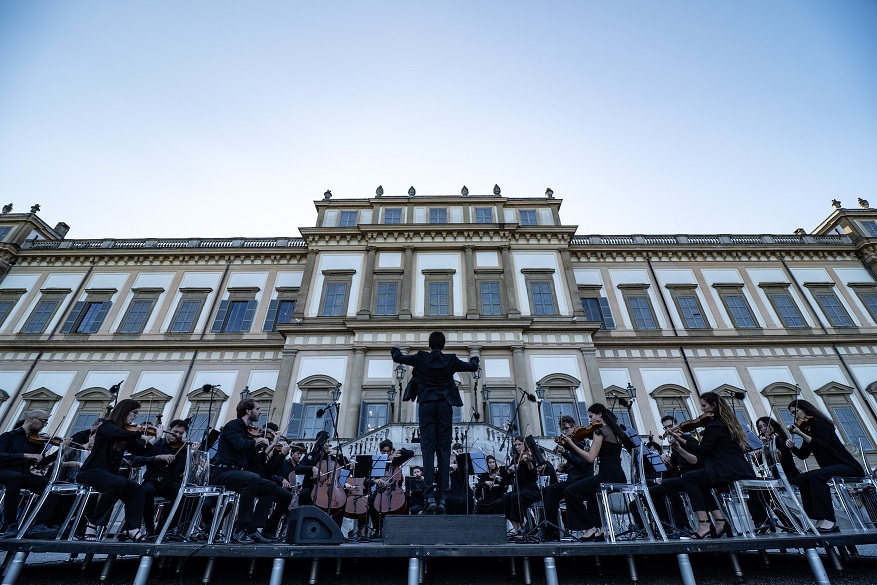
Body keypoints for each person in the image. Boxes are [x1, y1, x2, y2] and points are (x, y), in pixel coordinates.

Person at [391, 332, 479, 514]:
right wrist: (475, 358)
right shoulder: (451, 360)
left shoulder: (421, 358)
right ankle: (443, 498)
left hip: (426, 406)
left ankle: (429, 496)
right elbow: (471, 367)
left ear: (429, 344)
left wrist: (395, 348)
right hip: (445, 406)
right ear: (444, 344)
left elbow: (398, 357)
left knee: (428, 450)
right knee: (444, 451)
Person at [669, 391, 756, 539]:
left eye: (704, 406)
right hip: (734, 467)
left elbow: (704, 450)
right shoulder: (724, 422)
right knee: (698, 482)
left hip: (729, 469)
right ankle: (719, 521)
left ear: (713, 406)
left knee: (689, 478)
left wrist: (681, 440)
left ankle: (704, 523)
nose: (702, 410)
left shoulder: (714, 425)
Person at [787, 399, 865, 533]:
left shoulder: (821, 423)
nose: (795, 416)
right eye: (792, 414)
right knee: (802, 478)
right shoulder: (808, 429)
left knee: (815, 476)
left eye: (796, 411)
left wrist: (801, 434)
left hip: (848, 466)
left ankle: (829, 520)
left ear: (805, 409)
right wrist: (792, 447)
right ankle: (819, 519)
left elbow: (822, 444)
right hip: (830, 468)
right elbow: (803, 455)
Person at [77, 399, 149, 541]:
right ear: (123, 411)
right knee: (117, 482)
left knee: (138, 490)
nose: (136, 416)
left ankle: (132, 528)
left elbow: (140, 450)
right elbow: (114, 434)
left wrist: (153, 439)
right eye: (134, 412)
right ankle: (92, 524)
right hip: (91, 471)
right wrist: (139, 434)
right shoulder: (107, 426)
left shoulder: (126, 432)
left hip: (110, 475)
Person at [210, 398, 278, 544]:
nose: (260, 412)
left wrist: (269, 447)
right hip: (222, 473)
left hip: (236, 475)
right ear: (248, 411)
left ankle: (252, 529)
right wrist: (257, 441)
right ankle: (240, 529)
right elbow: (240, 445)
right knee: (252, 478)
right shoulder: (233, 426)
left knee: (270, 487)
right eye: (258, 409)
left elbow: (255, 460)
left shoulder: (247, 432)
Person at [558, 404, 627, 541]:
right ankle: (600, 530)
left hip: (607, 475)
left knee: (570, 491)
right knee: (591, 496)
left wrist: (571, 444)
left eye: (591, 416)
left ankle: (590, 528)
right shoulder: (616, 431)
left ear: (600, 414)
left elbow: (590, 458)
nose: (589, 420)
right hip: (619, 475)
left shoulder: (599, 432)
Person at [0, 409, 63, 538]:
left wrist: (59, 452)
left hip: (25, 473)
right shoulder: (8, 436)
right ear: (31, 419)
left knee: (52, 487)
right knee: (15, 478)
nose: (45, 424)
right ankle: (10, 524)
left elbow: (39, 464)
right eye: (43, 421)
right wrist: (24, 455)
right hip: (4, 470)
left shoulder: (37, 441)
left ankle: (39, 525)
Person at [131, 419, 188, 537]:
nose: (177, 436)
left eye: (181, 434)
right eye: (175, 432)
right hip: (152, 480)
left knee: (183, 495)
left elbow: (179, 471)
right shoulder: (155, 443)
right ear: (169, 430)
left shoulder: (182, 449)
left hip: (169, 482)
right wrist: (158, 457)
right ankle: (149, 528)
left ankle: (163, 529)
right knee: (146, 491)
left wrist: (190, 454)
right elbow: (138, 460)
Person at [540, 415, 593, 541]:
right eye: (562, 430)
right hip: (574, 479)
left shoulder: (578, 442)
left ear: (574, 428)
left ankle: (550, 530)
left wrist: (565, 453)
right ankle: (548, 528)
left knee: (552, 490)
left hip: (581, 480)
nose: (564, 432)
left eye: (567, 429)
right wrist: (564, 467)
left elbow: (582, 463)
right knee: (547, 490)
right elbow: (574, 464)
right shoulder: (572, 443)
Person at [755, 416, 801, 482]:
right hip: (774, 476)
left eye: (765, 425)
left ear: (773, 426)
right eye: (760, 427)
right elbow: (759, 463)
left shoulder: (782, 440)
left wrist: (771, 446)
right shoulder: (762, 443)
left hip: (788, 474)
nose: (763, 428)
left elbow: (786, 460)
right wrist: (758, 454)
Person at [446, 444, 475, 514]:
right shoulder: (450, 465)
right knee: (451, 500)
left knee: (469, 500)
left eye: (460, 451)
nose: (459, 453)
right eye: (457, 451)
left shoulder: (466, 464)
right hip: (454, 490)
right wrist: (450, 468)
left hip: (465, 489)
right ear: (453, 453)